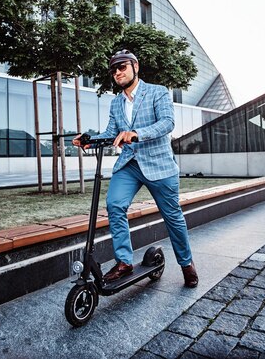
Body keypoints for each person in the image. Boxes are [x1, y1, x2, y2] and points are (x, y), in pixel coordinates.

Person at [72, 49, 199, 288]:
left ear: (135, 67)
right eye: (113, 69)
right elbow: (111, 134)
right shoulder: (116, 103)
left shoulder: (157, 92)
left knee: (173, 218)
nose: (117, 72)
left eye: (122, 67)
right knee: (114, 204)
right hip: (129, 165)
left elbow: (167, 123)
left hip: (159, 165)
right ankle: (124, 262)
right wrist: (89, 139)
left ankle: (186, 263)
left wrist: (137, 134)